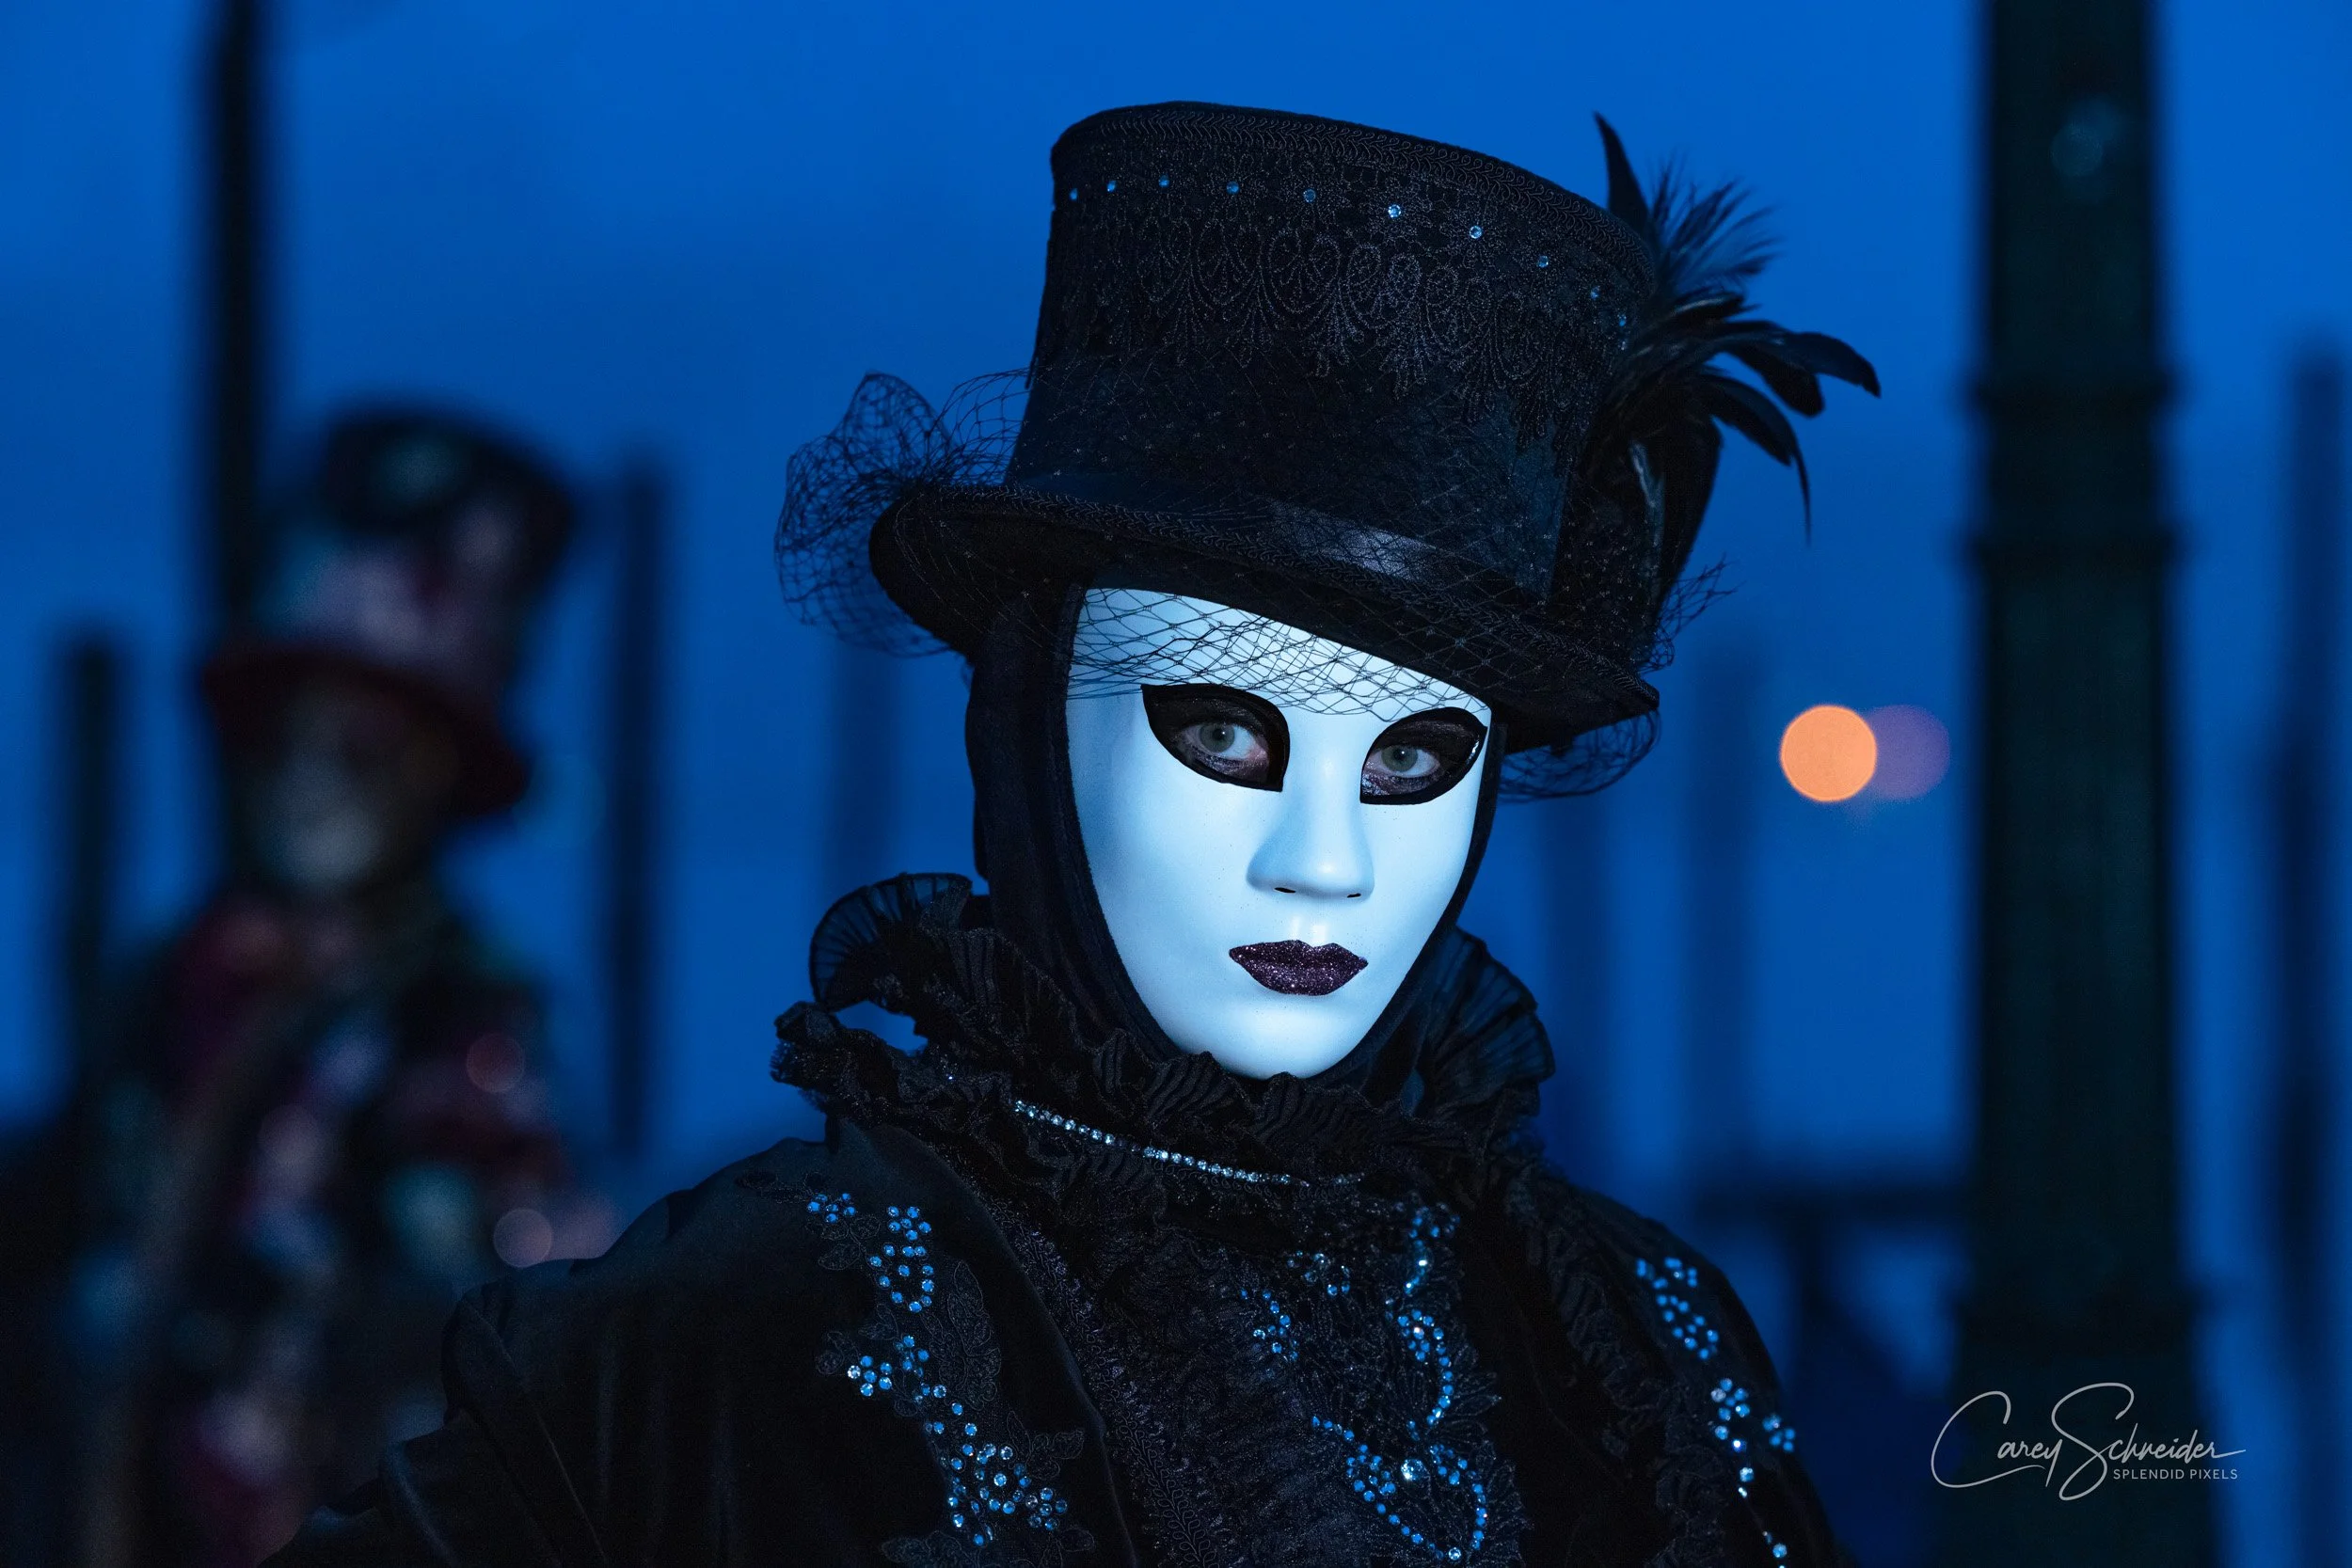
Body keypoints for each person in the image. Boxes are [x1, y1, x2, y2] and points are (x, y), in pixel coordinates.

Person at [276, 103, 1874, 1567]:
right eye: (1226, 734)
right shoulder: (720, 1342)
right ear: (1036, 718)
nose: (1323, 861)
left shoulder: (1629, 1347)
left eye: (1411, 758)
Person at [23, 411, 592, 1568]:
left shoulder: (457, 1014)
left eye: (366, 749)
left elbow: (506, 1290)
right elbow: (84, 1179)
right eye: (289, 737)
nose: (313, 781)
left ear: (439, 774)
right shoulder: (180, 975)